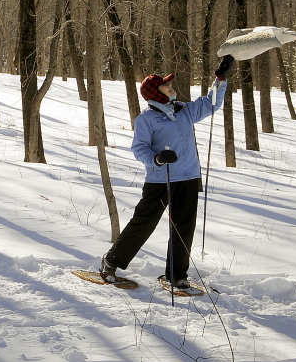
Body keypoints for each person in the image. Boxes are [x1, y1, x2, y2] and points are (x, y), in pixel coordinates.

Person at [99, 55, 235, 288]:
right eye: (166, 85)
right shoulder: (146, 119)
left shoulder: (185, 110)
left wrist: (220, 78)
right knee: (144, 223)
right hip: (160, 179)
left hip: (189, 178)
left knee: (184, 227)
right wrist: (157, 159)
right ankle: (111, 262)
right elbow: (139, 148)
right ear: (156, 93)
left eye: (170, 83)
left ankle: (177, 275)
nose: (172, 87)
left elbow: (211, 103)